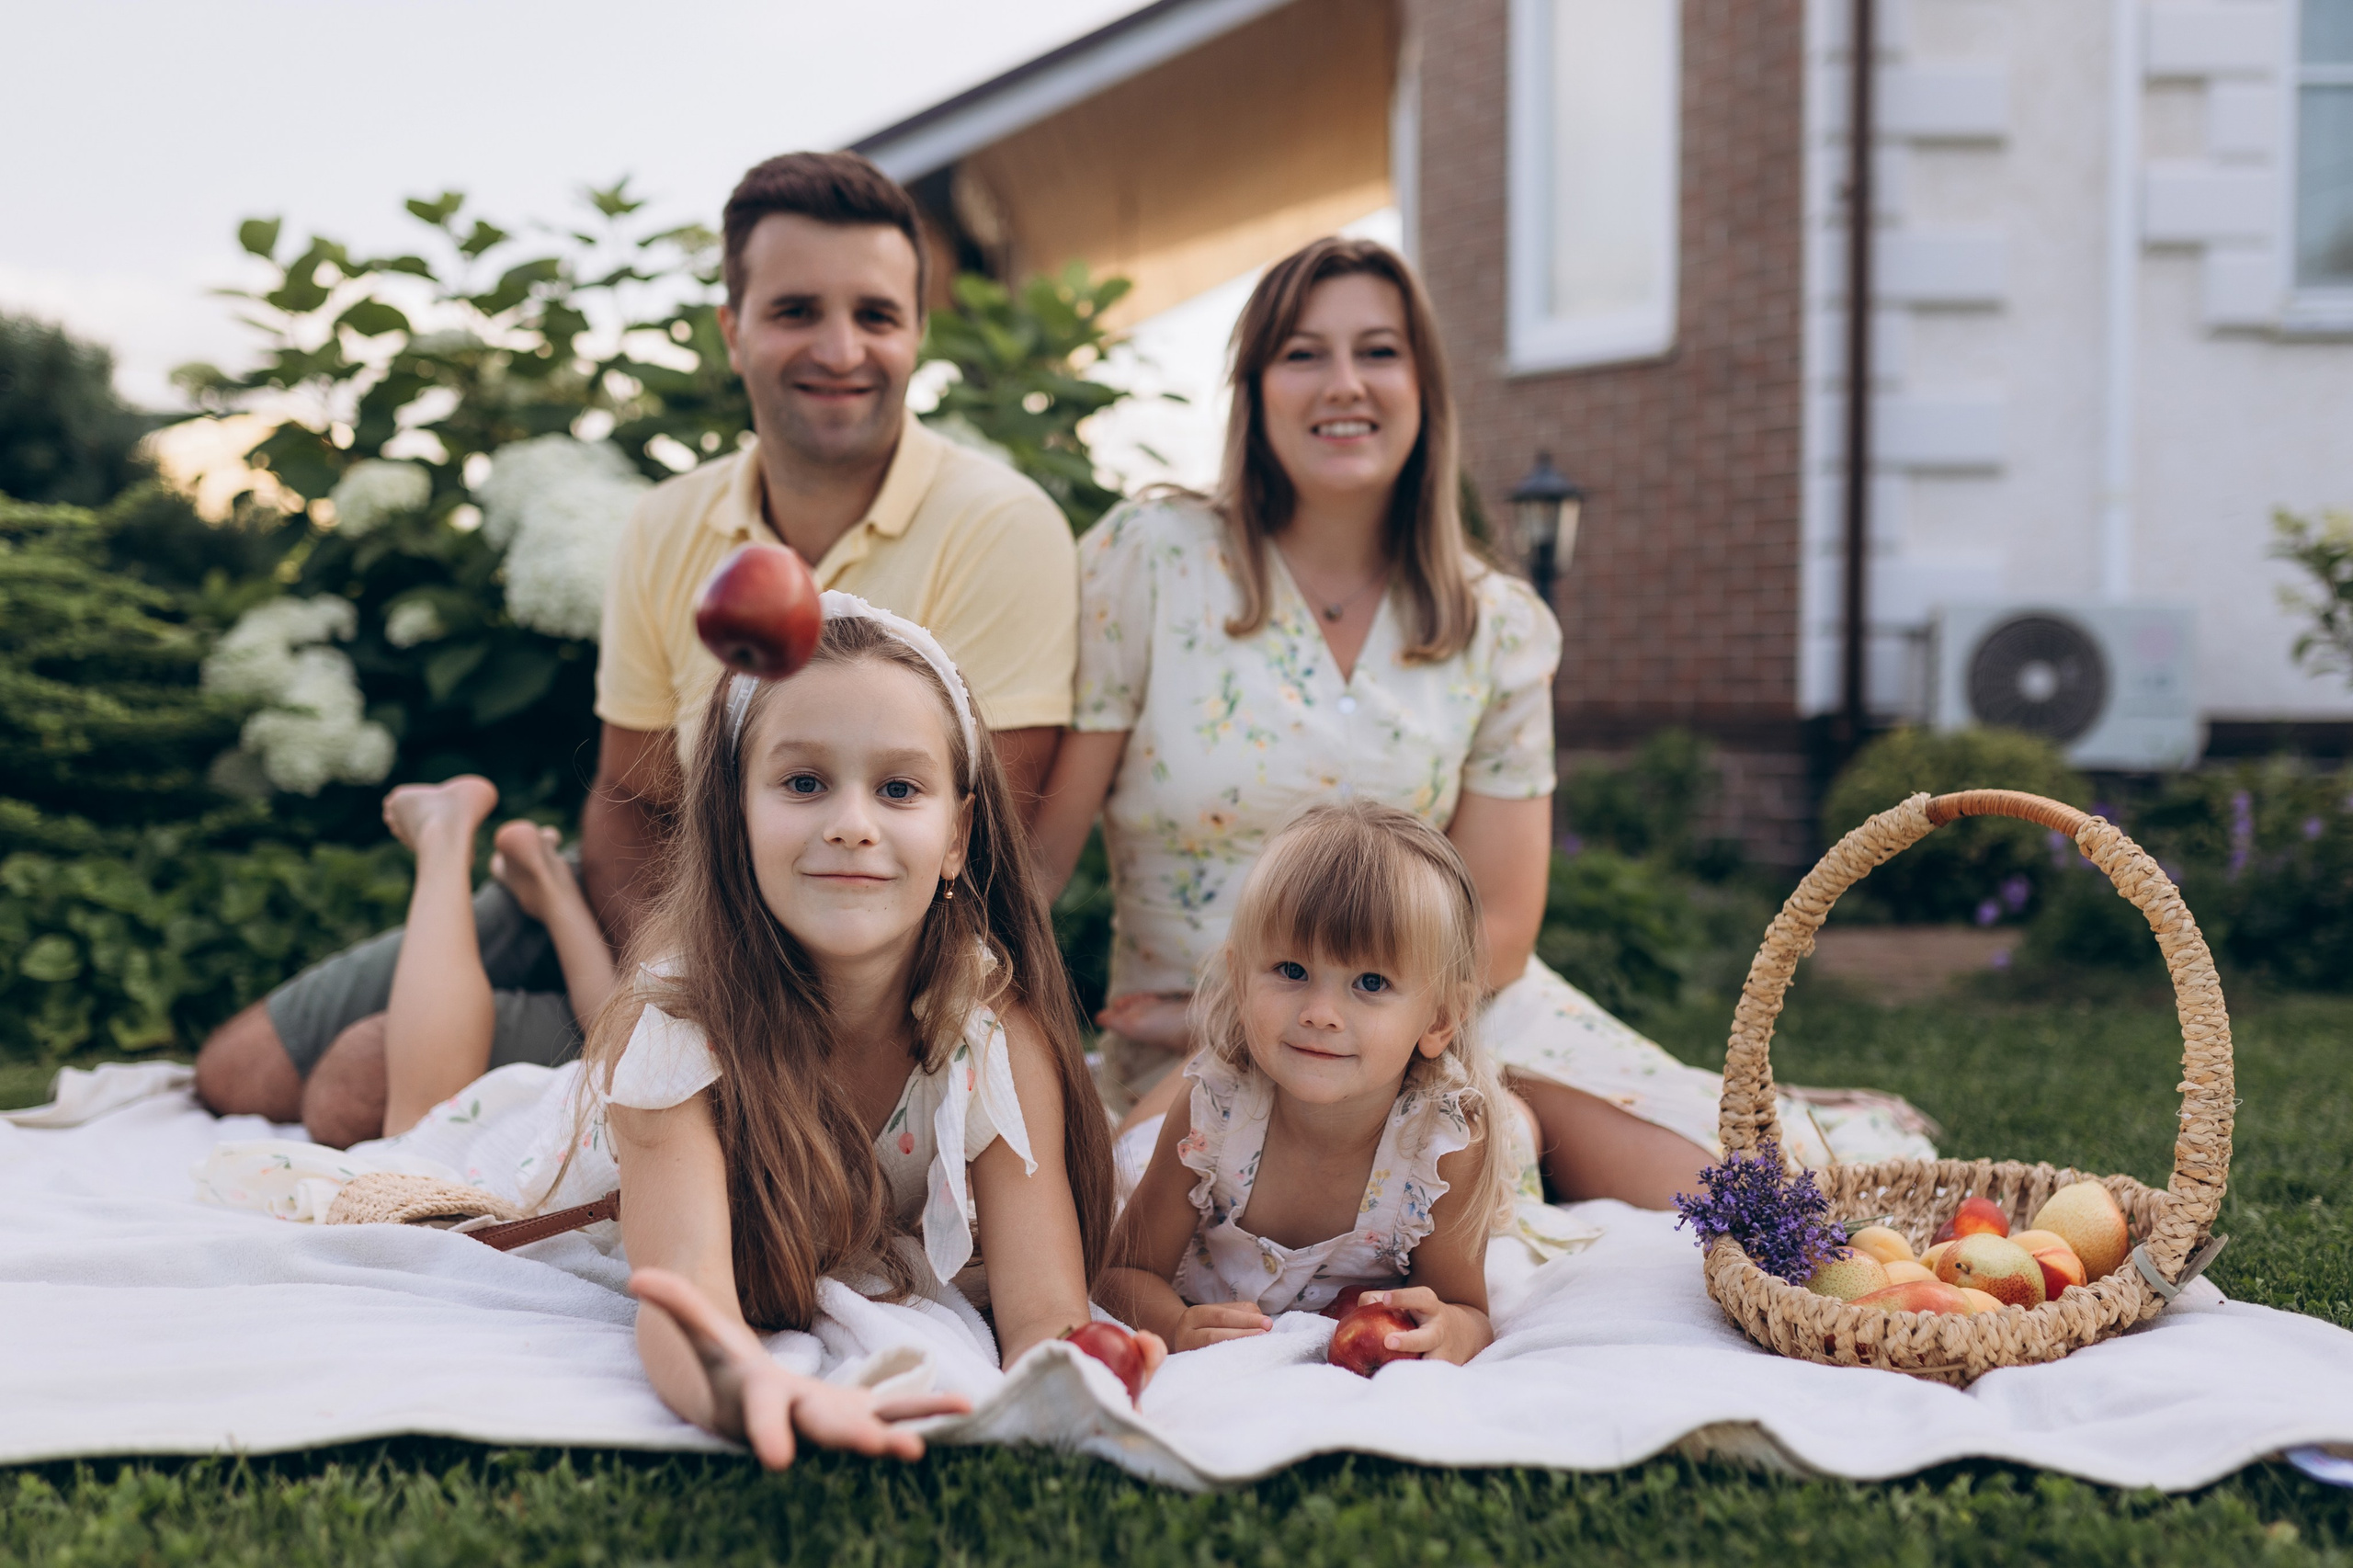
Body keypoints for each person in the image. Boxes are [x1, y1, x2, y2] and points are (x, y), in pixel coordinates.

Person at [193, 150, 1080, 1145]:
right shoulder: (670, 524)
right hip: (660, 920)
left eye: (875, 314)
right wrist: (646, 991)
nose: (840, 348)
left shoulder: (1000, 525)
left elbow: (989, 851)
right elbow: (627, 803)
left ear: (918, 332)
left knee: (359, 1080)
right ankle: (502, 868)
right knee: (237, 1070)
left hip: (828, 973)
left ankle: (495, 891)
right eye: (795, 311)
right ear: (731, 329)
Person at [1031, 236, 1934, 1210]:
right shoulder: (1149, 560)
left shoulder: (1493, 622)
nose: (1344, 383)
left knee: (1764, 1200)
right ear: (1253, 390)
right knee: (1126, 1215)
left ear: (1423, 384)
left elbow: (1498, 922)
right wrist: (1227, 1008)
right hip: (1211, 1041)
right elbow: (1038, 859)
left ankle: (1551, 1123)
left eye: (1378, 351)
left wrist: (1333, 998)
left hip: (1452, 1009)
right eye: (1302, 353)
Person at [200, 597, 1144, 1464]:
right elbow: (685, 1291)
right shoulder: (680, 1030)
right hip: (576, 1152)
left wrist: (1092, 1354)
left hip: (647, 1026)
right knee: (411, 1114)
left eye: (899, 790)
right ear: (734, 817)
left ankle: (546, 889)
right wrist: (741, 1384)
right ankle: (448, 844)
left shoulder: (988, 1030)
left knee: (618, 998)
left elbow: (1045, 1309)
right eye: (806, 781)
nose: (853, 823)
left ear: (956, 836)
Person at [1097, 803, 1518, 1364]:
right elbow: (1124, 1272)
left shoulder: (1442, 1145)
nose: (1321, 1013)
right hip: (1191, 1125)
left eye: (1370, 982)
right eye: (1291, 972)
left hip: (1405, 1106)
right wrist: (1175, 1324)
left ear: (1440, 1019)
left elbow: (1466, 1310)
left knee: (1518, 1144)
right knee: (1137, 1133)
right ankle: (1196, 1033)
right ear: (1242, 980)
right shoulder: (1209, 1112)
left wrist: (1447, 1331)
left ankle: (1192, 1027)